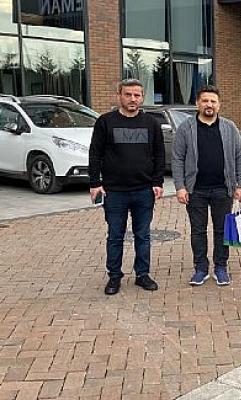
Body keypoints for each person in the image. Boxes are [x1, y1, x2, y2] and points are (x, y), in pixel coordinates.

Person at [89, 78, 165, 295]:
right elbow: (95, 153)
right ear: (119, 96)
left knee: (143, 235)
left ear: (142, 97)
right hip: (114, 192)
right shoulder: (105, 122)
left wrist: (157, 182)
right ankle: (114, 277)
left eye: (137, 95)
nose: (133, 99)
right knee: (115, 236)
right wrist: (95, 183)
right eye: (128, 94)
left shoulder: (151, 123)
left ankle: (142, 274)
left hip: (144, 190)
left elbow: (159, 154)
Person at [172, 85, 241, 286]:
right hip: (195, 189)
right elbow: (178, 158)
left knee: (222, 230)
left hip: (223, 189)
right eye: (205, 101)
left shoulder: (229, 127)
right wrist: (180, 186)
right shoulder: (186, 128)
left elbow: (240, 157)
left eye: (213, 101)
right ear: (197, 103)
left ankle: (221, 267)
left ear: (219, 105)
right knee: (198, 231)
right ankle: (201, 268)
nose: (209, 105)